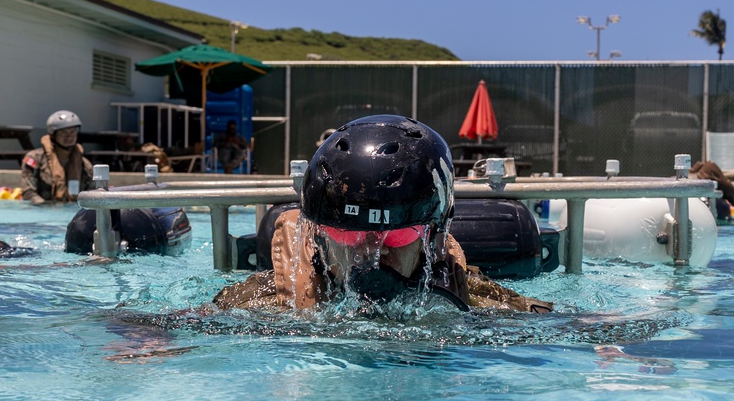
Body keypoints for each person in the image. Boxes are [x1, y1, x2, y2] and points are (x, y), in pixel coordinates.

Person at [211, 115, 553, 314]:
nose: (371, 249)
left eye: (397, 235)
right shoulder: (259, 303)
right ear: (318, 234)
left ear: (432, 238)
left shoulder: (473, 299)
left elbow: (563, 325)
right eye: (349, 234)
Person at [21, 110, 94, 205]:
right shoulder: (35, 159)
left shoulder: (85, 165)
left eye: (72, 132)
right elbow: (28, 192)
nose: (69, 137)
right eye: (63, 133)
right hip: (43, 210)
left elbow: (92, 194)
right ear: (53, 135)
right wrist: (47, 208)